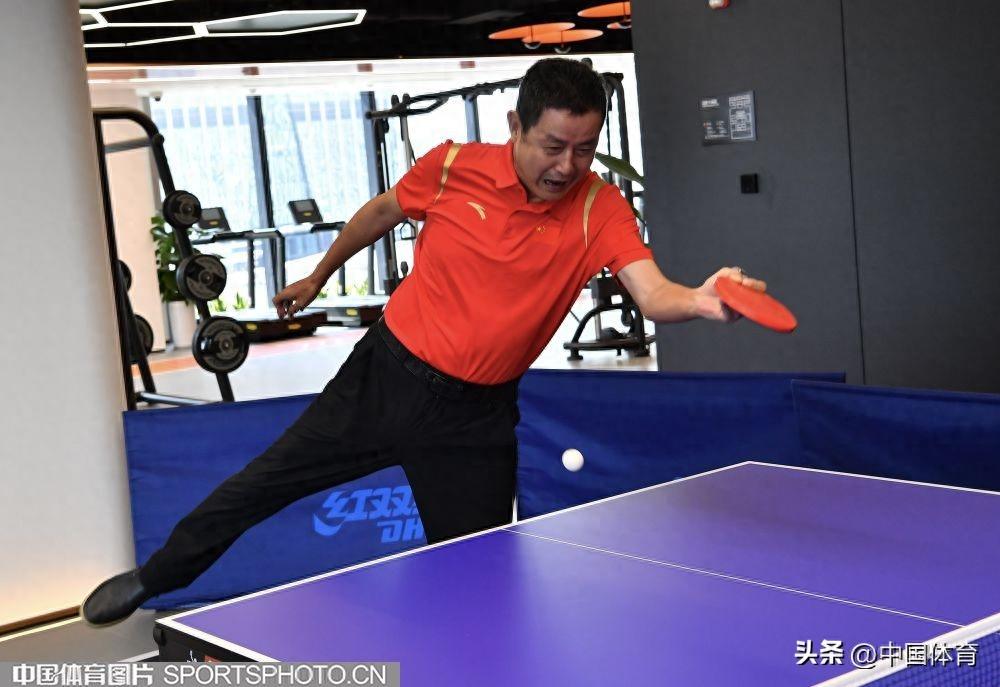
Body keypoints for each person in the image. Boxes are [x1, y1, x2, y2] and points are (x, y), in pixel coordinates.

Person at [81, 58, 765, 626]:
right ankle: (156, 576)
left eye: (584, 149)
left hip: (475, 420)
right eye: (553, 145)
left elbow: (653, 291)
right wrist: (319, 274)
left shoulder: (598, 208)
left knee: (480, 571)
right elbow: (381, 212)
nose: (567, 165)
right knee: (264, 482)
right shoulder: (452, 166)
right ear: (515, 126)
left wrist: (700, 299)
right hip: (385, 378)